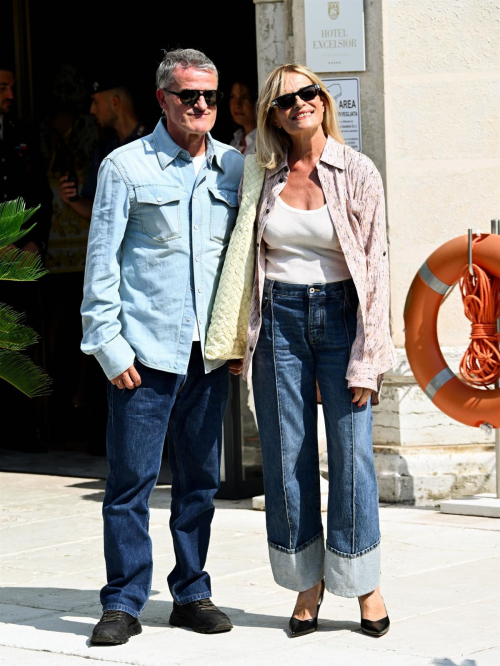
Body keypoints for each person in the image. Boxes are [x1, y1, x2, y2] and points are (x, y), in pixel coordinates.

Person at [81, 48, 244, 645]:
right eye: (187, 95)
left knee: (200, 482)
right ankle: (123, 602)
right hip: (143, 355)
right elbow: (101, 265)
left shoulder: (234, 168)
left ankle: (191, 592)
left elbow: (245, 262)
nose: (201, 105)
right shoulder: (125, 167)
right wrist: (109, 347)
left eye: (209, 95)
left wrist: (238, 339)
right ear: (162, 100)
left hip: (208, 355)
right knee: (130, 486)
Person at [232, 63, 397, 638]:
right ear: (273, 115)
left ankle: (363, 581)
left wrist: (369, 356)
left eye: (308, 93)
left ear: (323, 101)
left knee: (351, 457)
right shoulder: (263, 175)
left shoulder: (357, 171)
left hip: (342, 317)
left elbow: (376, 268)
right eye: (285, 100)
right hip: (278, 318)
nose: (299, 104)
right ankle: (308, 581)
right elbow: (238, 258)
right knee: (286, 454)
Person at [0, 64, 53, 450]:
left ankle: (21, 428)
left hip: (19, 260)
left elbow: (39, 194)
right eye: (3, 87)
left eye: (12, 87)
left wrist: (35, 243)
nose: (10, 95)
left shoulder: (19, 134)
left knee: (20, 340)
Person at [59, 77, 148, 220]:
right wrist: (73, 199)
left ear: (114, 103)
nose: (92, 110)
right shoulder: (106, 151)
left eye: (96, 102)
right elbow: (94, 209)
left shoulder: (155, 143)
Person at [229, 81, 256, 155]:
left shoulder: (265, 143)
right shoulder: (235, 142)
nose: (237, 105)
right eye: (232, 97)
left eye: (245, 98)